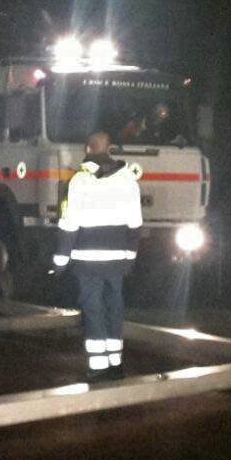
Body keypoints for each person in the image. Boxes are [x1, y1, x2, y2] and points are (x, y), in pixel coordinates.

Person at [54, 131, 142, 381]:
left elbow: (69, 225)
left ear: (87, 149)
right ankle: (116, 363)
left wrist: (60, 262)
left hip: (87, 260)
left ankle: (98, 365)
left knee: (93, 309)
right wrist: (130, 257)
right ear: (110, 148)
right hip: (117, 259)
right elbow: (136, 224)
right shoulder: (128, 179)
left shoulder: (80, 181)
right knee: (115, 306)